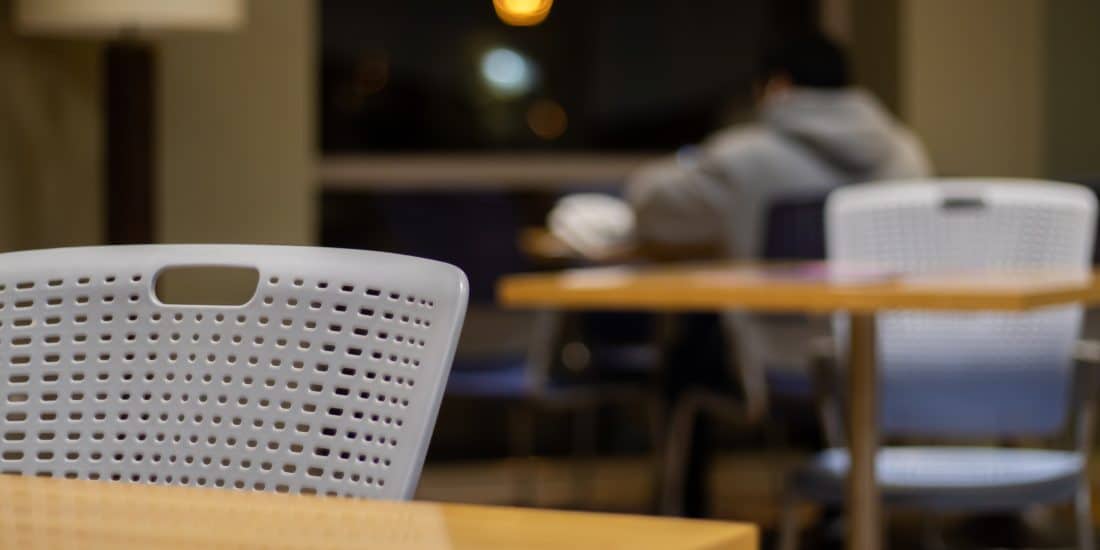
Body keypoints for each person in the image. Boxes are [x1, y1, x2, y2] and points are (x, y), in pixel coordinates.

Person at [627, 33, 931, 257]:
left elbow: (652, 209)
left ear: (777, 87)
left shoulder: (743, 157)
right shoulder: (906, 150)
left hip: (774, 325)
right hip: (878, 325)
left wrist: (690, 161)